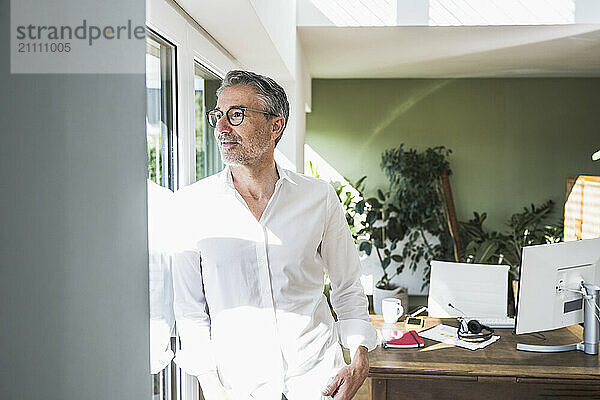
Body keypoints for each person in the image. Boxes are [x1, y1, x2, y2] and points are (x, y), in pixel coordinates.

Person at [172, 70, 377, 400]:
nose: (221, 128)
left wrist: (359, 358)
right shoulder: (192, 205)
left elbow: (347, 284)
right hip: (238, 388)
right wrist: (212, 387)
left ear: (275, 125)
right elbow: (190, 311)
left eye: (236, 115)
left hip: (319, 380)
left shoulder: (319, 197)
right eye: (217, 116)